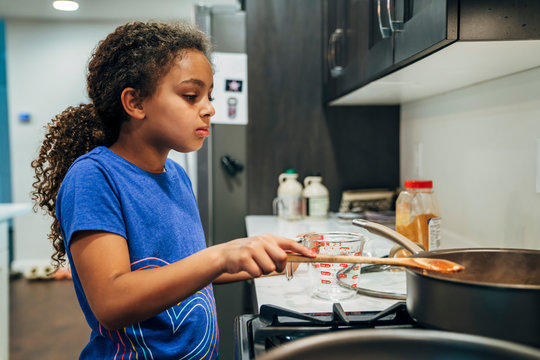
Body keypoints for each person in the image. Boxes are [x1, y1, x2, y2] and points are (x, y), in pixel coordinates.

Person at [31, 21, 314, 359]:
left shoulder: (176, 176)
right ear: (135, 102)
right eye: (191, 96)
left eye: (209, 96)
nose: (209, 108)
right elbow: (111, 301)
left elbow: (180, 270)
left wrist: (252, 258)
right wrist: (221, 254)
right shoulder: (94, 177)